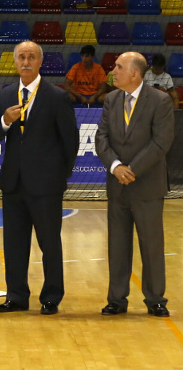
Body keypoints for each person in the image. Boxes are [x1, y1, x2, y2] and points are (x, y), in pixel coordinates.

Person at [0, 41, 79, 316]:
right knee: (14, 243)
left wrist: (59, 177)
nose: (26, 62)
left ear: (40, 62)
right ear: (15, 62)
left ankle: (51, 296)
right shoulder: (5, 95)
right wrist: (4, 120)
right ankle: (16, 296)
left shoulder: (56, 96)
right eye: (21, 57)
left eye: (31, 57)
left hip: (46, 186)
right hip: (13, 183)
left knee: (49, 243)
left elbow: (70, 142)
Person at [96, 52, 174, 318]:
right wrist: (116, 167)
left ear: (134, 73)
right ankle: (116, 299)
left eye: (118, 67)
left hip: (147, 186)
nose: (113, 71)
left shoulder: (160, 101)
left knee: (151, 244)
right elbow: (101, 138)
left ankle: (156, 299)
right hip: (117, 185)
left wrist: (132, 170)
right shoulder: (111, 99)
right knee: (117, 243)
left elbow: (161, 142)